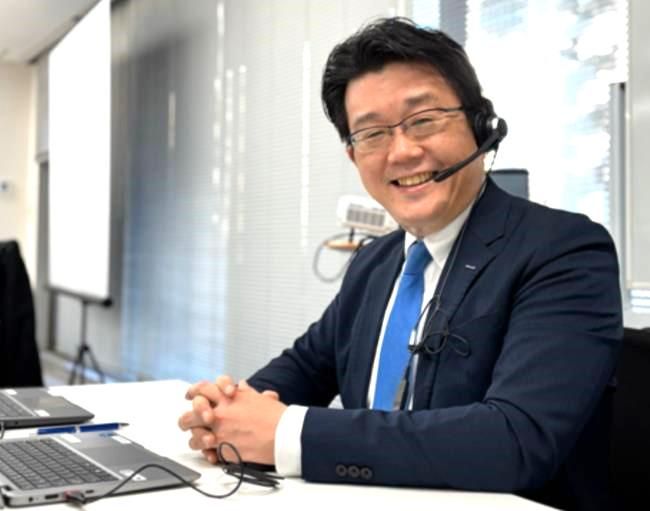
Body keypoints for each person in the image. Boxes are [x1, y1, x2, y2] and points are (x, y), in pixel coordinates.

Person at [178, 17, 622, 511]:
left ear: (480, 125)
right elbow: (305, 366)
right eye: (372, 134)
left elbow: (517, 439)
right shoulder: (374, 262)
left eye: (424, 120)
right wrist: (223, 414)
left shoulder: (564, 250)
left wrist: (288, 434)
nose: (403, 152)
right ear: (353, 155)